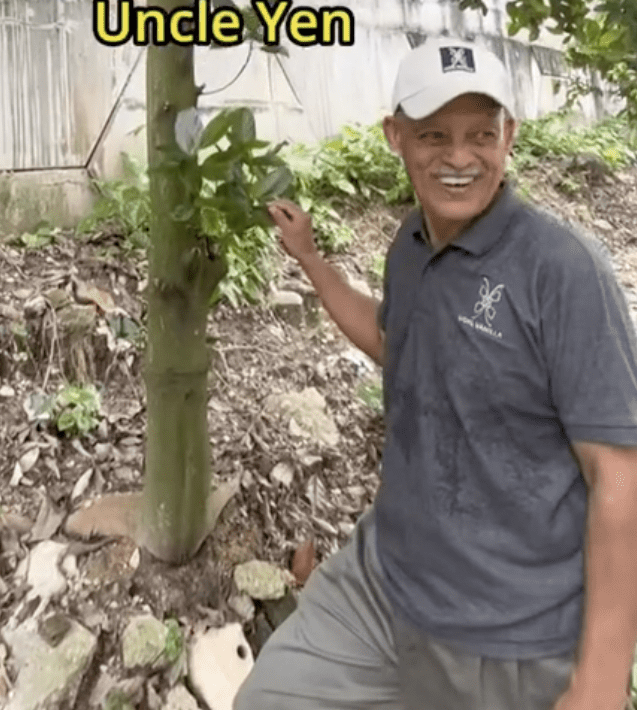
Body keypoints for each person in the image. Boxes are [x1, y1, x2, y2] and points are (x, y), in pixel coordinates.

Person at [234, 39, 637, 710]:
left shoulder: (560, 272)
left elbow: (620, 477)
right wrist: (309, 259)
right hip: (386, 579)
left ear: (510, 135)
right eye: (434, 135)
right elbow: (399, 345)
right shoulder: (411, 247)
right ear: (396, 137)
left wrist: (598, 681)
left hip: (508, 632)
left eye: (482, 133)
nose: (459, 157)